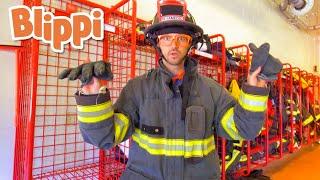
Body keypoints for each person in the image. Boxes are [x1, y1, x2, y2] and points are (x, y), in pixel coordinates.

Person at [59, 0, 269, 179]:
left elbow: (244, 130)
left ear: (190, 44)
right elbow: (105, 137)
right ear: (157, 43)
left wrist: (254, 90)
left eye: (181, 38)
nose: (174, 45)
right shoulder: (137, 89)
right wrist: (92, 96)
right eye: (167, 38)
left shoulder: (213, 91)